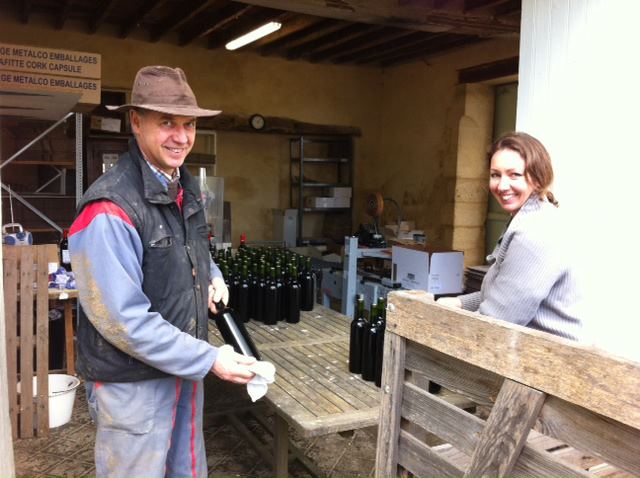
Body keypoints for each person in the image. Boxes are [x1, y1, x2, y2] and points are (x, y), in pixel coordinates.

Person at [68, 66, 256, 478]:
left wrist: (210, 274)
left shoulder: (183, 186)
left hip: (181, 367)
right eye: (166, 122)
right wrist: (209, 358)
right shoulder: (109, 208)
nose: (181, 136)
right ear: (136, 122)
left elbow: (186, 248)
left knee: (186, 470)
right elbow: (122, 320)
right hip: (133, 382)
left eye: (188, 124)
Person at [437, 132, 582, 341]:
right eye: (496, 175)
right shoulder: (526, 216)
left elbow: (497, 322)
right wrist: (460, 303)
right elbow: (502, 295)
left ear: (538, 176)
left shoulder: (536, 232)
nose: (502, 185)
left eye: (514, 175)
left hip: (546, 363)